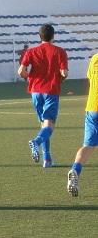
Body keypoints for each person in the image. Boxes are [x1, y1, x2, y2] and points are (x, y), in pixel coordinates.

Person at [18, 24, 68, 168]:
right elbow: (64, 73)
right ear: (53, 36)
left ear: (40, 37)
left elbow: (21, 71)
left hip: (35, 91)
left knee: (43, 124)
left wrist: (30, 77)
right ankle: (36, 142)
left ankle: (47, 160)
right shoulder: (60, 51)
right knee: (50, 126)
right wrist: (61, 77)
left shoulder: (31, 51)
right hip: (51, 90)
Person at [67, 51, 98, 197]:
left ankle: (76, 169)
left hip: (92, 107)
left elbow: (91, 80)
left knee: (89, 145)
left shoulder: (95, 58)